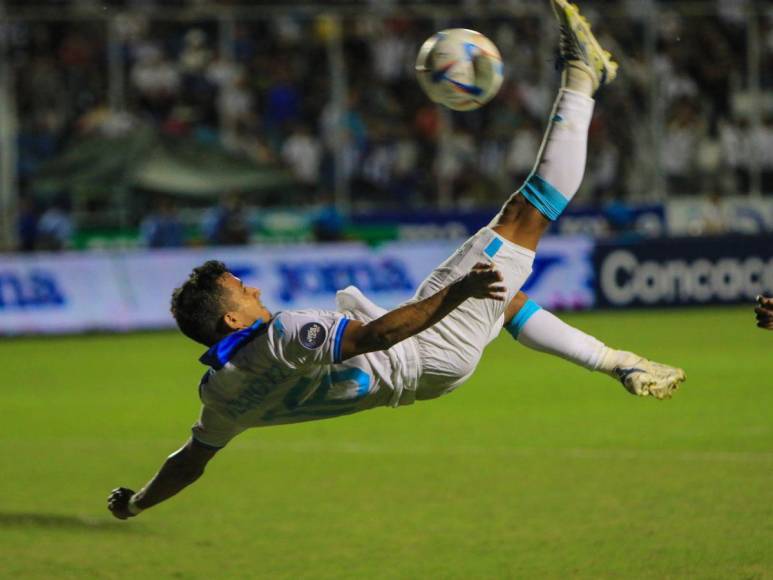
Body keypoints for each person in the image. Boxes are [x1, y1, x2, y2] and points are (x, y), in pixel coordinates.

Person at [108, 0, 686, 520]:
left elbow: (190, 460)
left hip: (424, 374)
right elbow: (377, 337)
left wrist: (137, 501)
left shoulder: (222, 394)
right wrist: (452, 295)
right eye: (238, 288)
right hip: (421, 346)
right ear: (230, 318)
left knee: (505, 299)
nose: (251, 287)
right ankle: (583, 75)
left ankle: (620, 363)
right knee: (526, 212)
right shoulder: (285, 334)